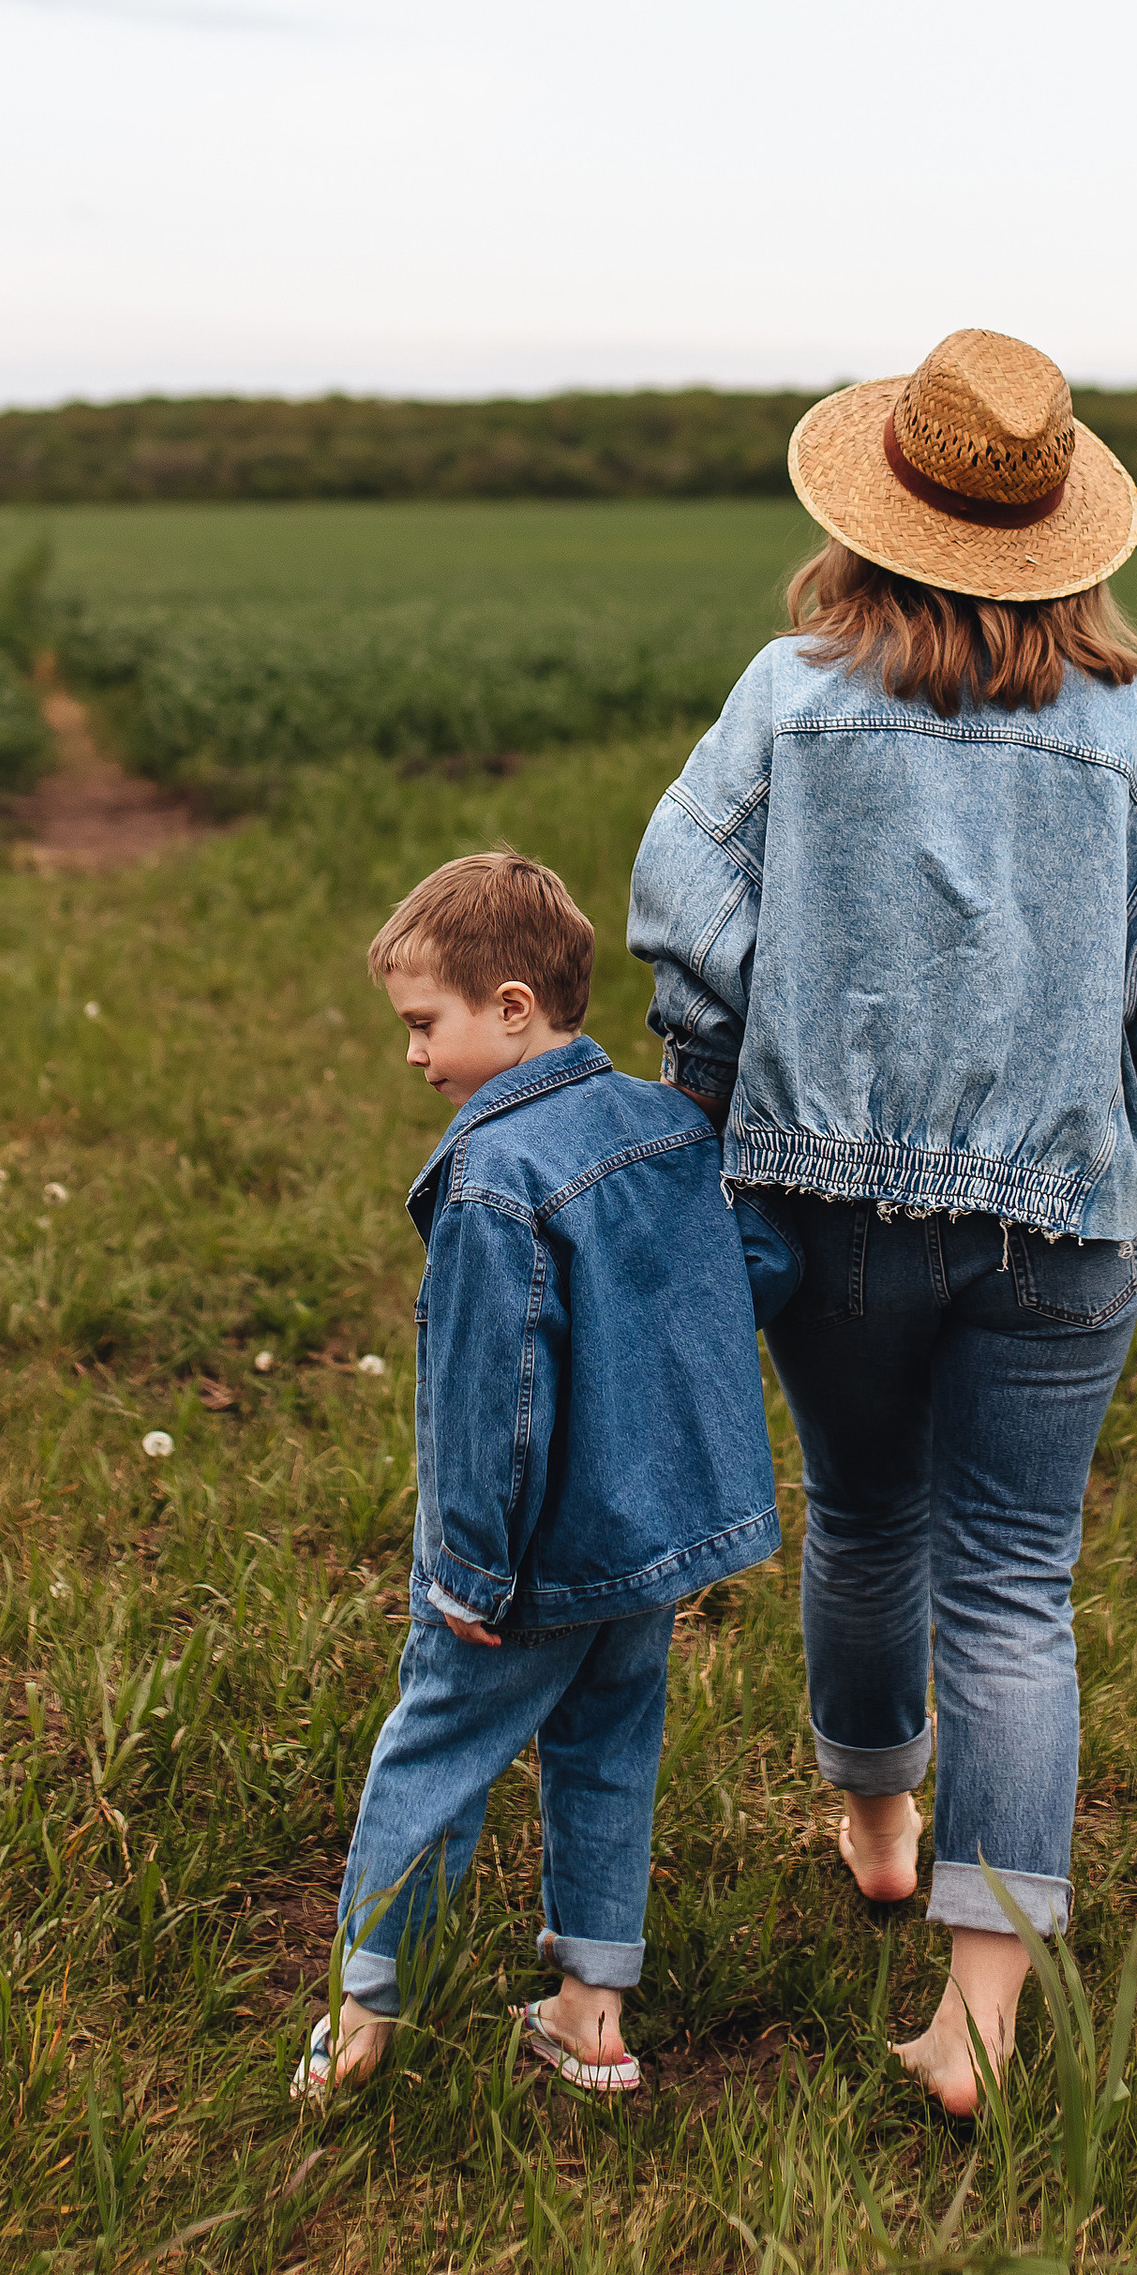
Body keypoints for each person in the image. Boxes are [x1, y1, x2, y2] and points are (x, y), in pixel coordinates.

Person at [628, 329, 1137, 2114]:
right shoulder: (1135, 731)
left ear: (872, 517)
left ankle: (877, 1817)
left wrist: (715, 1134)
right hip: (1069, 1221)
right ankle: (981, 2013)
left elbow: (693, 937)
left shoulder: (789, 694)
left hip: (824, 1201)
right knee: (1014, 1586)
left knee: (861, 1514)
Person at [297, 850, 780, 2101]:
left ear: (513, 1009)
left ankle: (362, 2011)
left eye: (423, 1023)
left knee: (437, 1748)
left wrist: (470, 1567)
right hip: (649, 1538)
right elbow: (739, 1282)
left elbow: (488, 1404)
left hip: (532, 1550)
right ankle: (592, 2012)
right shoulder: (671, 1125)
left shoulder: (491, 1181)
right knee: (612, 1742)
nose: (411, 1054)